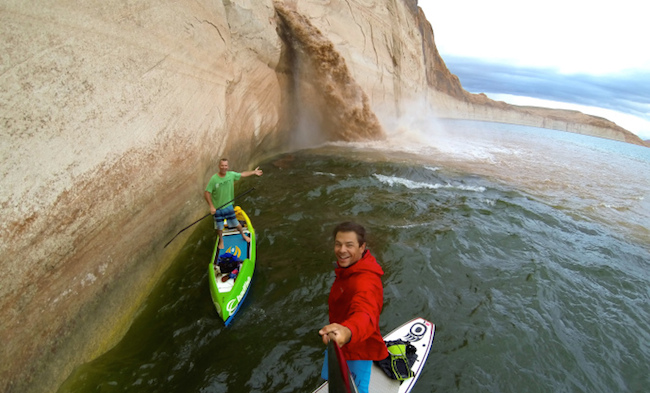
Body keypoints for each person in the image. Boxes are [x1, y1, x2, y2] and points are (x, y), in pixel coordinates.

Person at [318, 222, 389, 392]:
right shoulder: (350, 268)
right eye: (338, 244)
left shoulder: (366, 282)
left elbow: (365, 314)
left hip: (356, 349)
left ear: (362, 247)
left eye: (349, 245)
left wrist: (347, 332)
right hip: (339, 341)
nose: (342, 250)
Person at [204, 158, 262, 249]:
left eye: (225, 165)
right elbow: (207, 192)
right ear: (219, 166)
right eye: (222, 165)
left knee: (236, 224)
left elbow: (242, 174)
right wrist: (211, 206)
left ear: (228, 166)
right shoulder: (214, 179)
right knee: (219, 227)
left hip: (228, 206)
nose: (224, 167)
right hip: (218, 208)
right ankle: (221, 241)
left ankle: (243, 235)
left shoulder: (231, 175)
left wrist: (253, 172)